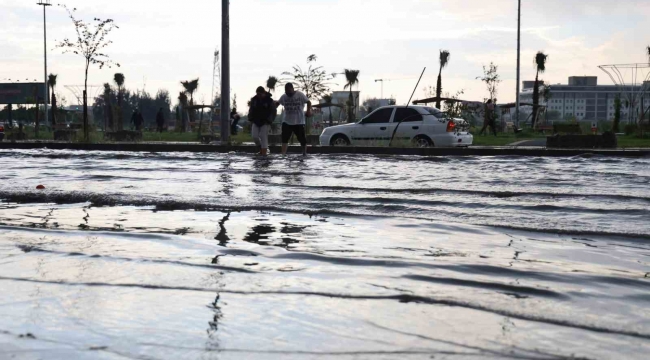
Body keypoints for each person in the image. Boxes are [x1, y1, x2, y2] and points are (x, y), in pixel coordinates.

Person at [275, 82, 311, 156]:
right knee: (284, 138)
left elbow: (308, 102)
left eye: (289, 92)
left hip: (299, 121)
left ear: (293, 89)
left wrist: (308, 111)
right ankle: (283, 154)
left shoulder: (300, 95)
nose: (288, 94)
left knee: (302, 139)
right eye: (287, 92)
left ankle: (304, 153)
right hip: (287, 121)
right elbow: (277, 103)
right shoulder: (284, 96)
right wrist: (272, 107)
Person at [248, 86, 275, 156]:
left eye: (260, 94)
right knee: (254, 136)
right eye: (257, 94)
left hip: (265, 121)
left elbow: (273, 111)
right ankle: (261, 148)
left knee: (263, 137)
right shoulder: (254, 100)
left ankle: (264, 152)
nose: (259, 96)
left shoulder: (269, 100)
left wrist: (269, 120)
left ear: (264, 93)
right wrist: (250, 118)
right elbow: (251, 109)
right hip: (256, 121)